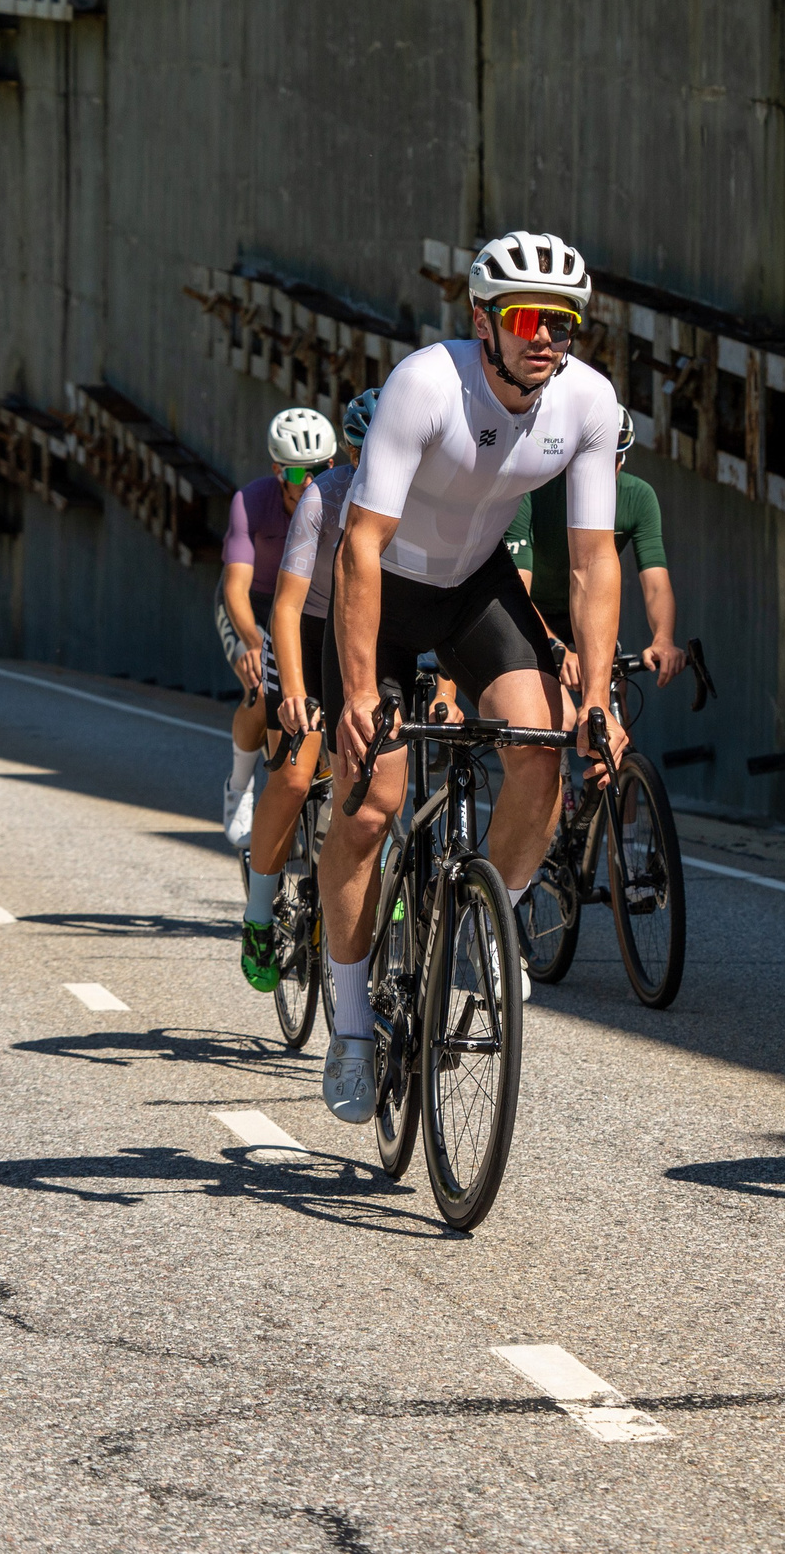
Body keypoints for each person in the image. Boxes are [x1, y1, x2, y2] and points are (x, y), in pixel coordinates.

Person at [317, 229, 628, 1123]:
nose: (547, 338)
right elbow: (361, 546)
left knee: (541, 753)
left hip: (474, 590)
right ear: (484, 320)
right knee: (370, 803)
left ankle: (483, 921)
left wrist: (596, 700)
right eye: (529, 319)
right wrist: (362, 692)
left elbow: (593, 561)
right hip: (384, 587)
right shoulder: (426, 384)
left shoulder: (588, 402)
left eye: (564, 323)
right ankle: (350, 1024)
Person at [236, 391, 372, 991]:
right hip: (307, 631)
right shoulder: (323, 497)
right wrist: (292, 691)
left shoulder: (420, 496)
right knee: (294, 776)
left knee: (377, 769)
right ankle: (258, 916)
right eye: (363, 453)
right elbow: (286, 607)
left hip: (363, 633)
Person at [217, 408, 337, 847]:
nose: (308, 482)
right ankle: (239, 786)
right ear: (277, 471)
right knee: (260, 686)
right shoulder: (250, 502)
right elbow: (235, 587)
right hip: (255, 606)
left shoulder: (339, 498)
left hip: (309, 607)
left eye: (318, 470)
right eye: (297, 473)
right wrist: (253, 642)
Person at [506, 408, 685, 697]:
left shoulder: (638, 497)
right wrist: (555, 646)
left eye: (611, 459)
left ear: (622, 460)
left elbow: (656, 584)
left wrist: (663, 638)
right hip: (532, 611)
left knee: (615, 697)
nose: (601, 470)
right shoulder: (533, 491)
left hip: (587, 609)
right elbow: (517, 589)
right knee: (560, 713)